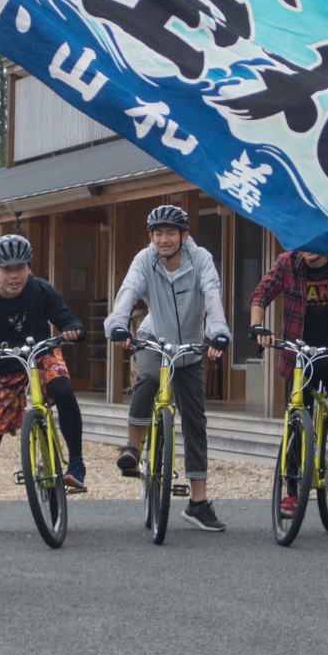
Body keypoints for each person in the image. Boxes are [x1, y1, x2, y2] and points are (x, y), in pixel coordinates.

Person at [104, 204, 232, 531]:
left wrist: (218, 332)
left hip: (189, 347)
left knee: (195, 421)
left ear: (184, 236)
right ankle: (133, 447)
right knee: (147, 377)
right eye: (158, 233)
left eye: (171, 233)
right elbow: (128, 293)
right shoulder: (144, 260)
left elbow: (212, 297)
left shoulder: (200, 259)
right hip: (154, 337)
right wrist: (118, 325)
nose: (164, 239)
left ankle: (198, 503)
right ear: (151, 237)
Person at [0, 233, 87, 535]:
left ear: (29, 268)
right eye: (7, 269)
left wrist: (73, 329)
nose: (14, 276)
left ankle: (76, 463)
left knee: (63, 388)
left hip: (40, 355)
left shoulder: (40, 290)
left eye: (20, 268)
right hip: (1, 366)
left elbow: (67, 318)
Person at [249, 245, 328, 541]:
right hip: (299, 358)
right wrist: (257, 326)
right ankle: (292, 492)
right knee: (295, 424)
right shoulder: (288, 262)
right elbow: (261, 293)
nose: (306, 249)